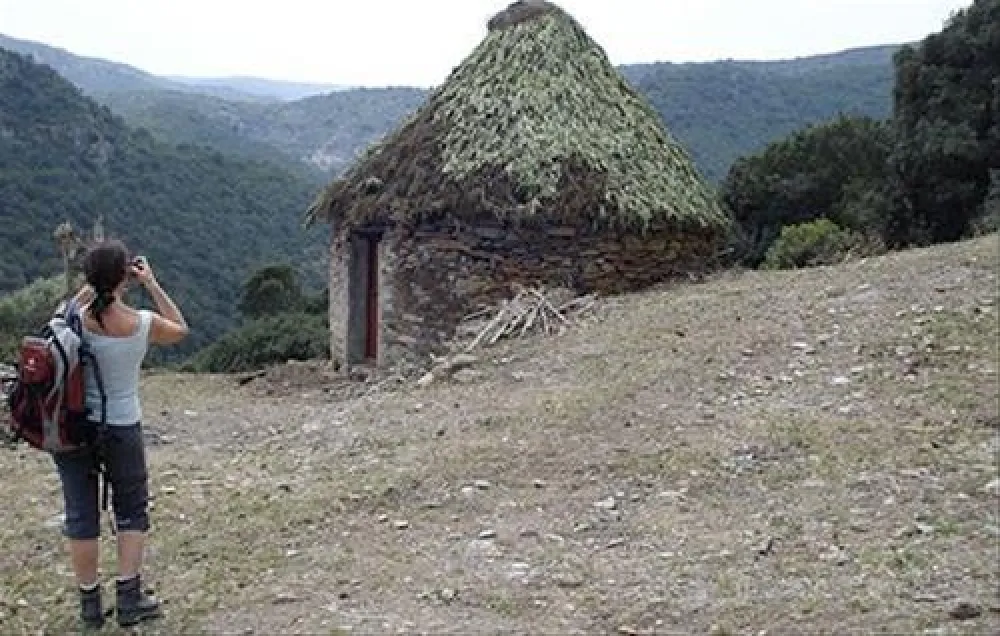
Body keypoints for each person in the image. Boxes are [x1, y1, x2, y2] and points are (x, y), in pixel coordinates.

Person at [54, 239, 189, 629]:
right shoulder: (142, 324)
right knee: (131, 511)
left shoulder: (74, 317)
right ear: (124, 279)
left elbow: (57, 319)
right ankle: (128, 599)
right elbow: (181, 328)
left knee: (81, 514)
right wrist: (152, 284)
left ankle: (90, 607)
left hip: (74, 428)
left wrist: (92, 285)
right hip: (122, 427)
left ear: (90, 279)